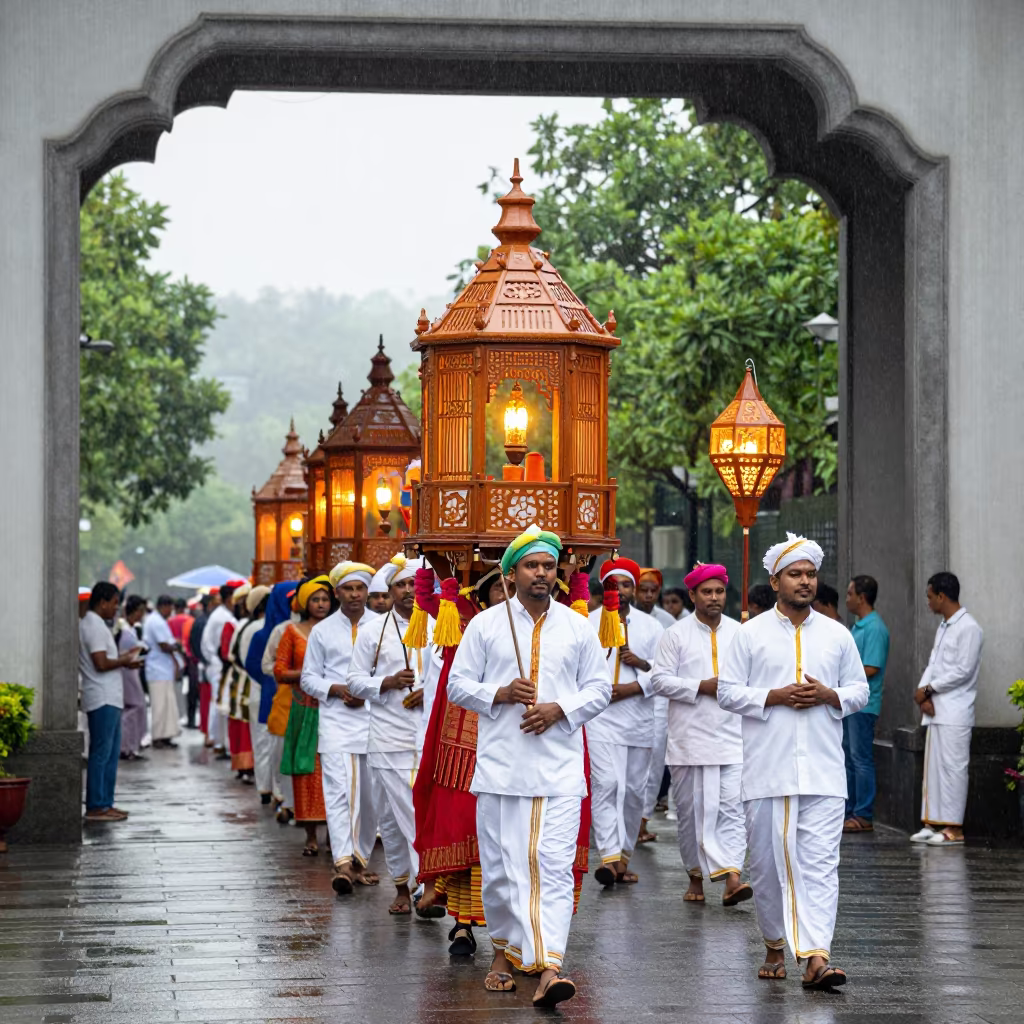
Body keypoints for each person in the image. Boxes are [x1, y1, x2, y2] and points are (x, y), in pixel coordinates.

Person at [448, 525, 609, 1008]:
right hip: (500, 770)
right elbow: (458, 685)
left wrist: (560, 709)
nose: (542, 573)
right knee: (501, 872)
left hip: (558, 771)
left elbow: (598, 689)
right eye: (531, 565)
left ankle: (549, 967)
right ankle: (501, 951)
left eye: (548, 565)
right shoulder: (486, 625)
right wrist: (497, 693)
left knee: (550, 867)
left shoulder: (578, 626)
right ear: (511, 571)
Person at [718, 534, 869, 989]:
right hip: (768, 772)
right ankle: (774, 943)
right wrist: (775, 696)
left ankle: (817, 957)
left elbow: (860, 691)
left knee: (820, 864)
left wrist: (830, 695)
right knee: (769, 866)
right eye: (795, 575)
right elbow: (727, 692)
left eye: (810, 574)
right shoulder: (750, 634)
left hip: (823, 772)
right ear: (775, 580)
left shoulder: (837, 634)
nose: (805, 582)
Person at [651, 562, 750, 907]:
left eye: (719, 591)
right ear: (692, 595)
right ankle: (695, 874)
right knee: (692, 813)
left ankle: (732, 877)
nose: (714, 598)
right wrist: (701, 686)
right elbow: (659, 680)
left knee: (732, 809)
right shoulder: (675, 634)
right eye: (706, 592)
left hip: (732, 737)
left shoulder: (741, 633)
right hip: (689, 740)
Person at [347, 555, 432, 915]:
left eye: (414, 584)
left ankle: (423, 886)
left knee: (412, 813)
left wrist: (428, 691)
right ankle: (407, 885)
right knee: (394, 817)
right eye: (402, 585)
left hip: (427, 734)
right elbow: (353, 681)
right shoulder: (372, 631)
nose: (409, 591)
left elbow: (453, 675)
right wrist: (387, 682)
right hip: (387, 737)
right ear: (390, 590)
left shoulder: (438, 625)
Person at [300, 561, 382, 895]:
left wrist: (367, 693)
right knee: (339, 794)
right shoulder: (322, 631)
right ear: (337, 593)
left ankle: (360, 861)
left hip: (375, 722)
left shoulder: (383, 627)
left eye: (360, 588)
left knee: (370, 796)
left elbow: (392, 674)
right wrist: (335, 689)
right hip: (335, 722)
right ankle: (343, 862)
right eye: (348, 589)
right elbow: (308, 678)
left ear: (368, 592)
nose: (354, 594)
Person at [586, 556, 664, 886]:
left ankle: (624, 855)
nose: (620, 590)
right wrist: (602, 691)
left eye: (626, 584)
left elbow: (665, 674)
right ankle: (608, 856)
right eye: (613, 584)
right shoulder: (585, 623)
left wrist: (636, 677)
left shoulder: (653, 628)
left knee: (633, 791)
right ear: (604, 589)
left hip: (638, 720)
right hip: (599, 719)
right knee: (607, 785)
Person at [910, 572, 983, 846]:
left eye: (930, 597)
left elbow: (962, 671)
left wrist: (929, 690)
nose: (928, 602)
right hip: (935, 711)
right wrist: (922, 693)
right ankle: (933, 823)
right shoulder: (944, 627)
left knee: (953, 769)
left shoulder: (969, 628)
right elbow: (933, 665)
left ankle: (955, 829)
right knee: (933, 770)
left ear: (941, 596)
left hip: (955, 712)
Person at [276, 575, 335, 856]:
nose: (321, 604)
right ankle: (310, 834)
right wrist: (308, 674)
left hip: (334, 707)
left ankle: (336, 835)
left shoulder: (338, 630)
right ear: (304, 603)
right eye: (315, 599)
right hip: (304, 707)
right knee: (306, 770)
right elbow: (279, 671)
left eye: (325, 599)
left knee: (334, 770)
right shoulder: (291, 632)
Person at [79, 582, 141, 822]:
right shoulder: (92, 625)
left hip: (109, 695)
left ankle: (105, 802)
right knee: (101, 753)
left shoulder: (97, 624)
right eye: (115, 603)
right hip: (101, 696)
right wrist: (125, 660)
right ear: (102, 602)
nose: (116, 608)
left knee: (110, 752)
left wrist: (126, 659)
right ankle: (96, 805)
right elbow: (101, 663)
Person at [842, 575, 890, 833]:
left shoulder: (875, 628)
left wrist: (843, 672)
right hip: (850, 703)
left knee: (860, 759)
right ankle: (850, 811)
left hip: (864, 705)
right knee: (850, 758)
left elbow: (871, 667)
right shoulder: (859, 626)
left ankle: (863, 814)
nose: (847, 598)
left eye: (850, 594)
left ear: (861, 597)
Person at [245, 581, 294, 808]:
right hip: (271, 694)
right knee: (269, 745)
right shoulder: (266, 633)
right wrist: (274, 680)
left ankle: (282, 793)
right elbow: (254, 665)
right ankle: (269, 789)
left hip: (293, 697)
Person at [200, 582, 242, 752]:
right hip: (219, 664)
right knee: (220, 703)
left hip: (216, 663)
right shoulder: (223, 617)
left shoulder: (222, 614)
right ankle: (219, 741)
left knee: (218, 702)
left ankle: (218, 740)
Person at [143, 595, 183, 750]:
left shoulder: (158, 620)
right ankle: (158, 736)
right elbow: (164, 645)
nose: (170, 612)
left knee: (167, 704)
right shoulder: (156, 621)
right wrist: (176, 646)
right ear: (164, 606)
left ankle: (166, 735)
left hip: (163, 669)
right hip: (157, 669)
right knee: (160, 705)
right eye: (170, 609)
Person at [118, 594, 149, 761]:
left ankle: (131, 745)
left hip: (131, 671)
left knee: (135, 707)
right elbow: (125, 654)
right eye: (141, 611)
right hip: (126, 671)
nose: (142, 615)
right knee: (134, 707)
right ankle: (126, 746)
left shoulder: (130, 630)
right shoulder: (124, 631)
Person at [190, 591, 216, 736]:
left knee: (205, 699)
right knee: (207, 699)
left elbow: (192, 643)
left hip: (202, 663)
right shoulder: (206, 621)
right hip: (207, 665)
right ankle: (207, 731)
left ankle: (206, 730)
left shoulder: (199, 620)